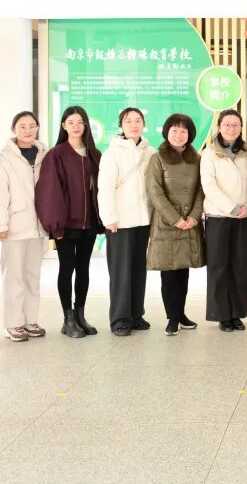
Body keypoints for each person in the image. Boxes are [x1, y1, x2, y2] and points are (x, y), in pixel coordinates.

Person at [35, 106, 103, 338]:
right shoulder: (56, 154)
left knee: (83, 269)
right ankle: (68, 319)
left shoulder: (94, 154)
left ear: (86, 126)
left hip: (89, 224)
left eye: (80, 122)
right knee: (66, 268)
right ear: (63, 125)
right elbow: (49, 192)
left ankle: (80, 315)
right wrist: (56, 226)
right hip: (66, 225)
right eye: (71, 122)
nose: (76, 126)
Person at [97, 107, 155, 336]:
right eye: (128, 121)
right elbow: (105, 188)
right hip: (120, 222)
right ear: (121, 126)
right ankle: (120, 319)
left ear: (144, 125)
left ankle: (136, 314)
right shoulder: (112, 153)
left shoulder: (151, 152)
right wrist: (109, 217)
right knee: (121, 272)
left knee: (139, 269)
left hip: (143, 220)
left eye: (138, 120)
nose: (133, 124)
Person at [0, 111, 48, 343]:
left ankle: (30, 320)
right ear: (13, 129)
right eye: (22, 126)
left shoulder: (44, 154)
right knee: (13, 277)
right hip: (15, 225)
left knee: (33, 276)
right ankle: (12, 323)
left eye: (32, 126)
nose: (28, 130)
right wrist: (0, 225)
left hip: (38, 225)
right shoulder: (4, 159)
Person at [146, 113, 206, 336]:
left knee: (183, 271)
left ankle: (180, 314)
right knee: (169, 273)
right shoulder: (157, 158)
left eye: (183, 131)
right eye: (174, 130)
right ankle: (172, 318)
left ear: (190, 134)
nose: (179, 135)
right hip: (167, 223)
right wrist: (176, 219)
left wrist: (194, 216)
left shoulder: (196, 158)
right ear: (166, 132)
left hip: (190, 222)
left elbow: (201, 189)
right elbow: (155, 192)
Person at [200, 109, 247, 332]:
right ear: (219, 127)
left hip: (243, 216)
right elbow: (208, 185)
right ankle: (222, 314)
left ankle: (237, 313)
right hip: (219, 216)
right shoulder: (209, 154)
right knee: (219, 266)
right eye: (227, 125)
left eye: (236, 125)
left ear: (241, 127)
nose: (231, 128)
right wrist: (231, 207)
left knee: (240, 266)